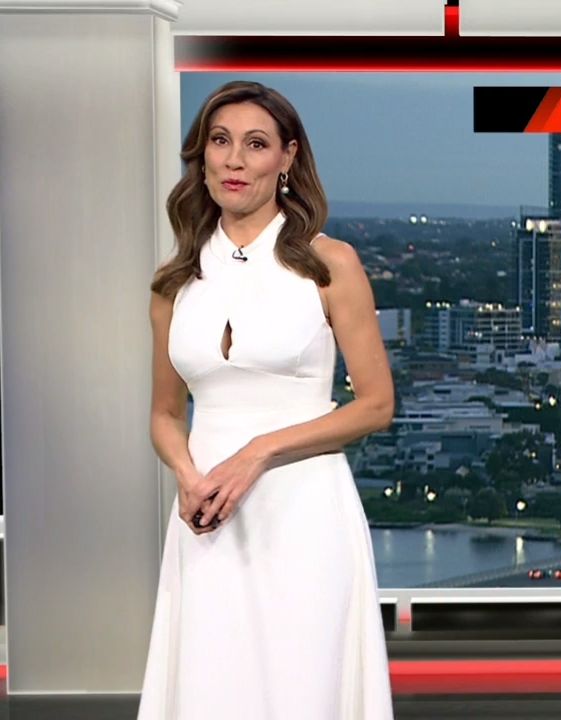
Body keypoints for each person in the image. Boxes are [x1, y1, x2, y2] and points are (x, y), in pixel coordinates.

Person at [137, 80, 396, 720]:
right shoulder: (174, 282)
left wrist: (257, 453)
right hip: (207, 514)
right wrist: (188, 475)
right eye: (220, 141)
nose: (234, 159)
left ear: (287, 158)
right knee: (212, 689)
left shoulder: (330, 264)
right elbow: (165, 414)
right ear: (201, 156)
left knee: (302, 687)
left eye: (256, 144)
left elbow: (375, 405)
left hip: (304, 511)